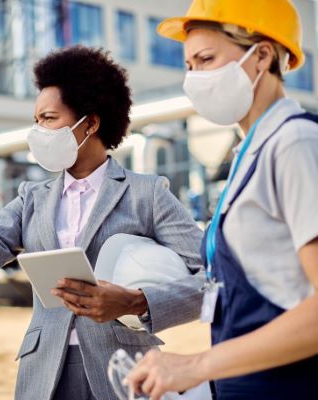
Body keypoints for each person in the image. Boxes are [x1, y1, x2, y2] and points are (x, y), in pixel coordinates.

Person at [0, 46, 204, 400]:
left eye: (49, 118)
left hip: (124, 368)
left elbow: (207, 282)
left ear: (91, 123)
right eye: (36, 120)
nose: (38, 131)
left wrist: (136, 301)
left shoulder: (147, 194)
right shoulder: (32, 197)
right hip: (44, 372)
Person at [126, 1, 318, 399]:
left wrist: (195, 365)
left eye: (206, 59)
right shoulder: (250, 153)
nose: (193, 78)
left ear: (262, 55)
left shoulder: (295, 144)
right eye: (189, 65)